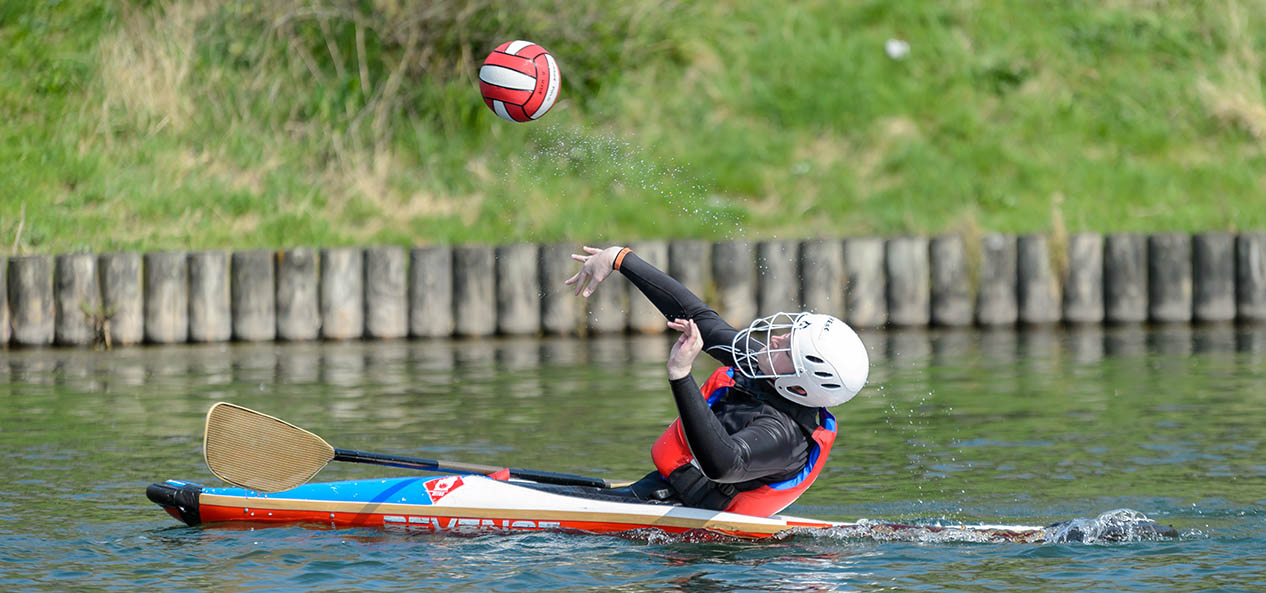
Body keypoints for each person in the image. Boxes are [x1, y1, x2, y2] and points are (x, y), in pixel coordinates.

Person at [565, 245, 869, 517]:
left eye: (787, 349)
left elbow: (723, 464)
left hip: (694, 532)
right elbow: (700, 318)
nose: (776, 339)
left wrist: (681, 375)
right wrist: (619, 259)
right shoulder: (765, 372)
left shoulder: (783, 436)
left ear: (800, 387)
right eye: (786, 335)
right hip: (659, 494)